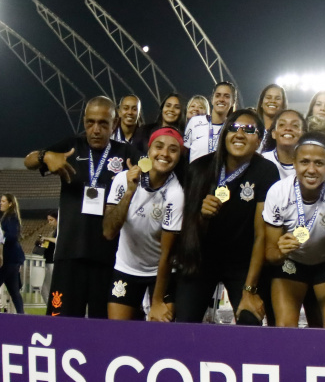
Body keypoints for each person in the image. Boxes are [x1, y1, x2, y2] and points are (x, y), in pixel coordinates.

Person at [24, 96, 138, 317]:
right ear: (84, 121)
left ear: (114, 124)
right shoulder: (71, 146)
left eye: (103, 123)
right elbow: (28, 161)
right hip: (70, 254)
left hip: (110, 258)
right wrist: (45, 156)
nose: (96, 129)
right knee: (60, 326)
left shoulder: (126, 154)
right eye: (90, 122)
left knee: (104, 332)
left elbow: (152, 169)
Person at [175, 109, 280, 323]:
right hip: (202, 260)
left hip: (242, 263)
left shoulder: (266, 171)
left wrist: (249, 290)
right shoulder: (199, 168)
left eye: (249, 129)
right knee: (183, 322)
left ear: (259, 139)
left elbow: (261, 235)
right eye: (232, 128)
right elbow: (185, 228)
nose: (239, 133)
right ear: (224, 134)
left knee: (249, 320)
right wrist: (202, 216)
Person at [263, 133, 325, 328]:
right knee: (285, 329)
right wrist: (279, 252)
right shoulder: (278, 192)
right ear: (294, 162)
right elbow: (270, 254)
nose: (311, 170)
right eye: (304, 162)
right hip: (292, 263)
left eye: (319, 163)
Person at [103, 127, 185, 321]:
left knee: (159, 336)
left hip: (160, 272)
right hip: (127, 268)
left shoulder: (175, 194)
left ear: (178, 157)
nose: (164, 153)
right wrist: (130, 191)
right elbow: (108, 231)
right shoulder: (124, 179)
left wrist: (157, 302)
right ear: (149, 151)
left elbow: (167, 253)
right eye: (159, 146)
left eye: (173, 150)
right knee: (118, 334)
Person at [186, 81, 237, 162]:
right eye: (218, 95)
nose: (221, 99)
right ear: (212, 99)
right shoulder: (195, 122)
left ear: (233, 101)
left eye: (226, 96)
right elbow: (185, 152)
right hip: (195, 173)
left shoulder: (234, 128)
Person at [262, 109, 306, 179]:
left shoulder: (309, 165)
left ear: (303, 135)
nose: (288, 128)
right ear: (273, 134)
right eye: (282, 125)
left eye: (295, 125)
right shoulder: (262, 161)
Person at [0, 194, 25, 313]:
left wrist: (1, 238)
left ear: (10, 204)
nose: (1, 203)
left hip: (10, 258)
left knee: (14, 290)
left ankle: (21, 314)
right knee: (14, 291)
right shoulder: (7, 217)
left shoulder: (11, 217)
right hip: (12, 258)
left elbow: (12, 236)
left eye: (3, 201)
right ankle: (21, 314)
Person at [37, 211, 57, 304]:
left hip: (53, 262)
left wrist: (47, 238)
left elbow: (58, 241)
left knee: (47, 289)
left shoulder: (59, 230)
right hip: (49, 261)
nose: (49, 222)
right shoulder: (53, 231)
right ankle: (52, 309)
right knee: (45, 290)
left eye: (51, 220)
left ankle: (53, 310)